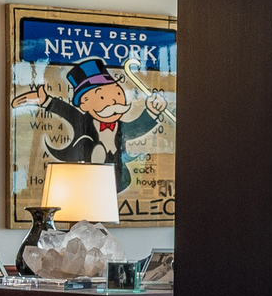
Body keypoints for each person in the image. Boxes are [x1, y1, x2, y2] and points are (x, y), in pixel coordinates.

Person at [12, 59, 161, 196]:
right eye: (102, 98)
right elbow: (67, 111)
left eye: (117, 93)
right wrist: (45, 101)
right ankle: (96, 157)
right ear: (84, 103)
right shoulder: (83, 122)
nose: (113, 103)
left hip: (118, 177)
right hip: (88, 176)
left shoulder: (120, 126)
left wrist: (152, 112)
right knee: (88, 145)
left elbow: (136, 128)